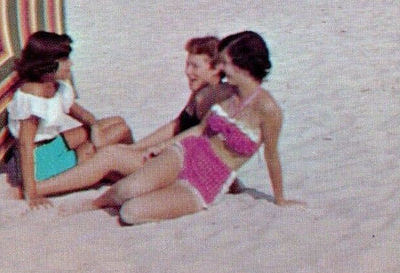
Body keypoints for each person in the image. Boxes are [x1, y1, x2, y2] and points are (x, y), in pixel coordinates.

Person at [73, 32, 303, 224]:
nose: (220, 68)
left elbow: (271, 156)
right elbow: (200, 129)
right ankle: (94, 204)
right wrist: (163, 146)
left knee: (131, 213)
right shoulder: (224, 93)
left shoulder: (268, 109)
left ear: (243, 65)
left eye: (225, 62)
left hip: (207, 182)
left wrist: (280, 198)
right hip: (186, 153)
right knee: (125, 191)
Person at [23, 36, 241, 201]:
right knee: (120, 142)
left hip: (182, 169)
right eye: (187, 64)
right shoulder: (202, 91)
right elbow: (176, 126)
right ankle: (118, 171)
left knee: (110, 155)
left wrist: (149, 150)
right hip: (173, 159)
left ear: (216, 68)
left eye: (195, 66)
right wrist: (138, 149)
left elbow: (206, 142)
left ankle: (40, 188)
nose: (187, 71)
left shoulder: (216, 96)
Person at [7, 32, 133, 209]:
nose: (70, 64)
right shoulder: (34, 94)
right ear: (48, 63)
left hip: (54, 144)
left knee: (118, 122)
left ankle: (121, 165)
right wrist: (31, 192)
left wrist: (94, 127)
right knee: (119, 132)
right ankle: (128, 166)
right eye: (65, 60)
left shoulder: (54, 86)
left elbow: (80, 113)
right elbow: (25, 145)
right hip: (41, 161)